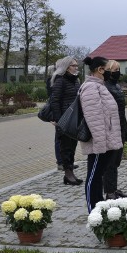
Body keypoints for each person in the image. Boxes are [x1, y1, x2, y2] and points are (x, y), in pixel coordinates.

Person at [79, 56, 122, 212]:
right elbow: (94, 119)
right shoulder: (91, 87)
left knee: (98, 176)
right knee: (94, 177)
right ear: (100, 70)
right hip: (99, 143)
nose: (111, 73)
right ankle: (93, 209)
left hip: (106, 141)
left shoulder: (100, 86)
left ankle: (99, 206)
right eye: (108, 69)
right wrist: (100, 143)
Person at [50, 56, 82, 185]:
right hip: (64, 118)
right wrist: (58, 120)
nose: (76, 67)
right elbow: (55, 101)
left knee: (72, 145)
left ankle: (71, 172)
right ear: (67, 67)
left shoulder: (75, 80)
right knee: (65, 146)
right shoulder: (60, 81)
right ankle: (67, 173)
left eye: (76, 65)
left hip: (74, 118)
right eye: (74, 65)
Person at [103, 60, 127, 199]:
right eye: (114, 70)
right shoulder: (105, 87)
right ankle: (109, 191)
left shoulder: (117, 86)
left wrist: (125, 128)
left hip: (120, 126)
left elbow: (122, 111)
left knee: (116, 161)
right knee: (110, 162)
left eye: (119, 69)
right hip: (111, 128)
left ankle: (113, 188)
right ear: (107, 71)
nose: (117, 72)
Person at [45, 61, 63, 170]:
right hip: (58, 113)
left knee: (65, 139)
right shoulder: (52, 81)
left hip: (63, 111)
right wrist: (54, 117)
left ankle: (66, 161)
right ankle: (60, 162)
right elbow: (53, 99)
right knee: (59, 138)